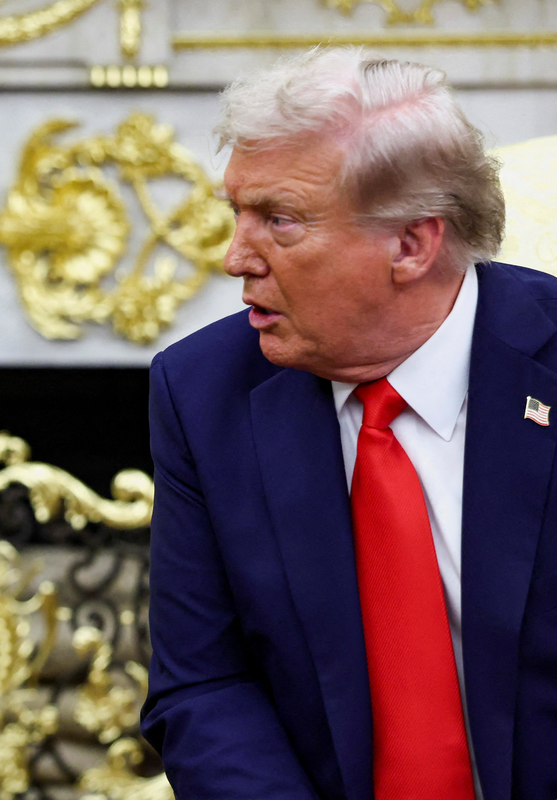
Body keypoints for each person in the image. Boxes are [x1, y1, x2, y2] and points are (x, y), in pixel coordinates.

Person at [141, 47, 557, 800]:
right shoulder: (203, 393)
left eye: (280, 221)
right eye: (237, 213)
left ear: (412, 244)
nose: (235, 258)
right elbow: (205, 685)